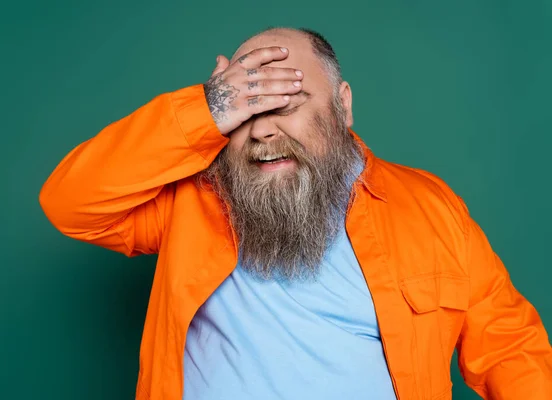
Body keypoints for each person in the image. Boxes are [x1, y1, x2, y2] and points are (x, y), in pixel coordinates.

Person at [39, 27, 552, 400]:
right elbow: (72, 203)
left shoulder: (431, 207)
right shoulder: (191, 200)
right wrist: (206, 110)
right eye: (243, 109)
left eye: (285, 104)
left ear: (342, 105)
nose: (262, 131)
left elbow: (510, 348)